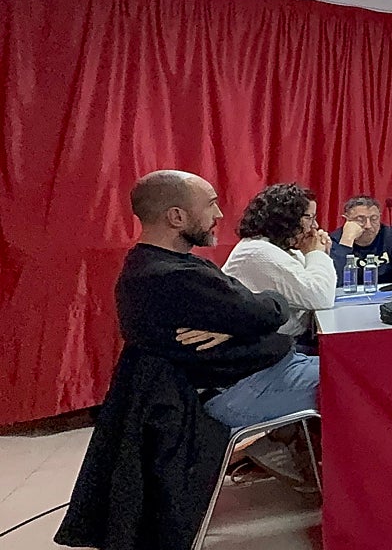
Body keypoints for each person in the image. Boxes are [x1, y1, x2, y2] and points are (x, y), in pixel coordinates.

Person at [115, 170, 317, 430]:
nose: (219, 214)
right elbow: (271, 312)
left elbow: (252, 312)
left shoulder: (152, 265)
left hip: (260, 374)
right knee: (363, 379)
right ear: (177, 217)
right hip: (239, 391)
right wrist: (248, 321)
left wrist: (236, 329)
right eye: (211, 204)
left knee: (349, 365)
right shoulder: (175, 277)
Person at [221, 183, 337, 341]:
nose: (315, 226)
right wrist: (316, 253)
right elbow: (321, 297)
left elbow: (319, 288)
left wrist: (319, 254)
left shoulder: (284, 249)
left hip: (288, 342)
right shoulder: (258, 252)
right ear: (287, 219)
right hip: (265, 350)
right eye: (309, 218)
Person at [330, 195, 392, 288]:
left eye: (374, 219)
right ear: (346, 220)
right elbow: (333, 281)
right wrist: (347, 241)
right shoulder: (334, 240)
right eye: (360, 219)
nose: (368, 226)